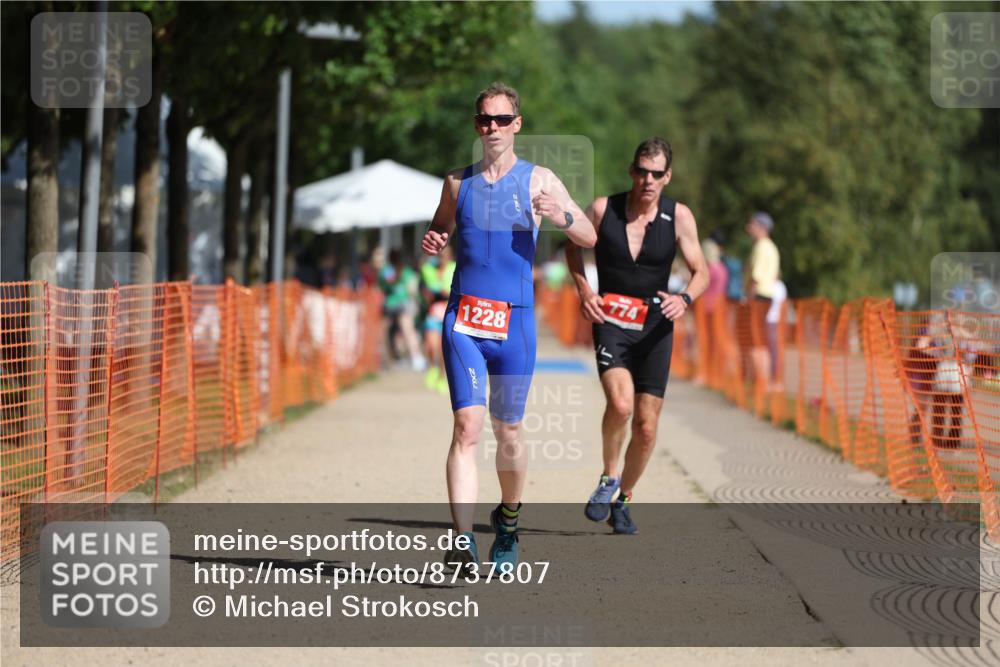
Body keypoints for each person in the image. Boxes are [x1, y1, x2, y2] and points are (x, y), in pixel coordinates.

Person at [421, 82, 597, 570]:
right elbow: (441, 225)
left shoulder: (540, 179)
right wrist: (435, 238)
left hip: (514, 325)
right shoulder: (458, 182)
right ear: (476, 125)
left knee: (510, 430)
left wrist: (559, 214)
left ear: (517, 125)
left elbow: (588, 233)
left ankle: (510, 520)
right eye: (484, 119)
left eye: (501, 120)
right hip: (464, 320)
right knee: (466, 426)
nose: (492, 128)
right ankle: (461, 541)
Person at [565, 137, 709, 534]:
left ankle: (624, 498)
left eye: (656, 174)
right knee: (622, 405)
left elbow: (703, 272)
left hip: (656, 328)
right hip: (611, 323)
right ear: (632, 171)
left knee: (646, 425)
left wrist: (685, 298)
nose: (648, 180)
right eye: (642, 172)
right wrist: (585, 292)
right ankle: (608, 477)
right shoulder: (602, 209)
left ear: (667, 177)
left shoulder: (678, 216)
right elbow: (572, 248)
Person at [744, 212, 781, 390]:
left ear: (762, 227)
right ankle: (762, 380)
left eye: (752, 224)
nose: (749, 227)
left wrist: (748, 298)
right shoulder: (771, 247)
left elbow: (756, 277)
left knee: (755, 339)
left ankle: (761, 381)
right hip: (766, 296)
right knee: (760, 339)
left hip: (758, 297)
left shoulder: (761, 247)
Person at [379, 249, 425, 371]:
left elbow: (383, 286)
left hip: (390, 304)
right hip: (405, 303)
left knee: (390, 333)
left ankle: (391, 359)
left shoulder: (386, 271)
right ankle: (416, 358)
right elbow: (412, 290)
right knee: (408, 331)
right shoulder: (407, 271)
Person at [420, 246, 456, 393]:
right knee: (430, 345)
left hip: (448, 313)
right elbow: (424, 288)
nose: (442, 258)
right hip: (433, 313)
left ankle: (442, 377)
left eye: (445, 255)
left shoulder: (454, 268)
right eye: (440, 255)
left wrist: (445, 293)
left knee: (443, 350)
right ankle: (432, 367)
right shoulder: (429, 270)